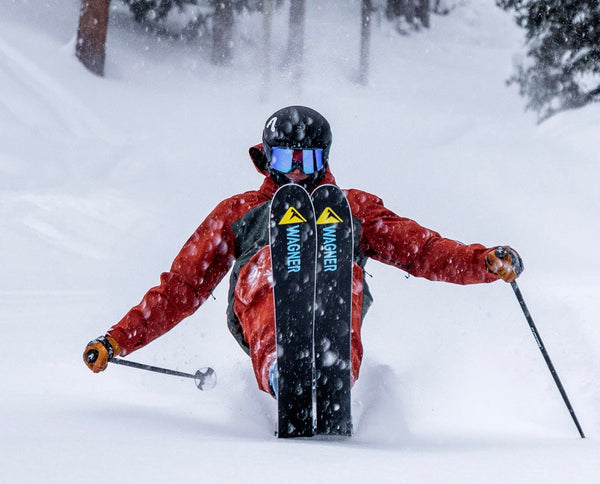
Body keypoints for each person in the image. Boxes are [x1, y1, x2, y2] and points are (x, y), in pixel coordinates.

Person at [84, 105, 523, 396]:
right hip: (259, 308)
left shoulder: (355, 208)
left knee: (339, 265)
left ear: (324, 160)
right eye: (285, 161)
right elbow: (182, 286)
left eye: (308, 163)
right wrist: (118, 339)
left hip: (332, 300)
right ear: (266, 159)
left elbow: (422, 250)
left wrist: (481, 262)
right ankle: (283, 367)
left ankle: (334, 366)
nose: (295, 173)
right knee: (275, 260)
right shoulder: (238, 212)